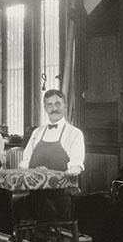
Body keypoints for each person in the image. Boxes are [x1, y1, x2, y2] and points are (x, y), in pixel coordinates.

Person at [18, 90, 85, 220]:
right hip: (34, 191)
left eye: (58, 104)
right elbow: (25, 162)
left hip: (60, 195)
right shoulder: (37, 132)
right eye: (49, 105)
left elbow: (75, 167)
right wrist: (32, 172)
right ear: (44, 108)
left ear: (65, 106)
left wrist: (48, 174)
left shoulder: (75, 133)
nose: (54, 108)